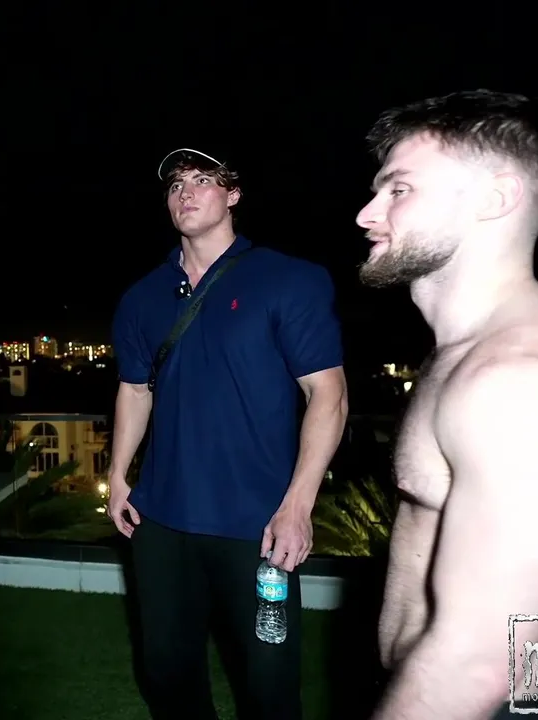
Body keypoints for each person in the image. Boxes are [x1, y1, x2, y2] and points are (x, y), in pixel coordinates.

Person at [356, 90, 538, 720]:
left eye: (399, 189)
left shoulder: (531, 379)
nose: (366, 213)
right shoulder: (468, 356)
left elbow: (481, 665)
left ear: (495, 199)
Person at [109, 148, 349, 720]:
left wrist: (298, 506)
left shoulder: (288, 280)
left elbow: (329, 394)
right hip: (162, 521)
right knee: (166, 675)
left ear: (233, 194)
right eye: (175, 185)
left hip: (257, 525)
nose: (186, 192)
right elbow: (134, 390)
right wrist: (117, 476)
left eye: (202, 180)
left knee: (269, 685)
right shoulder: (142, 297)